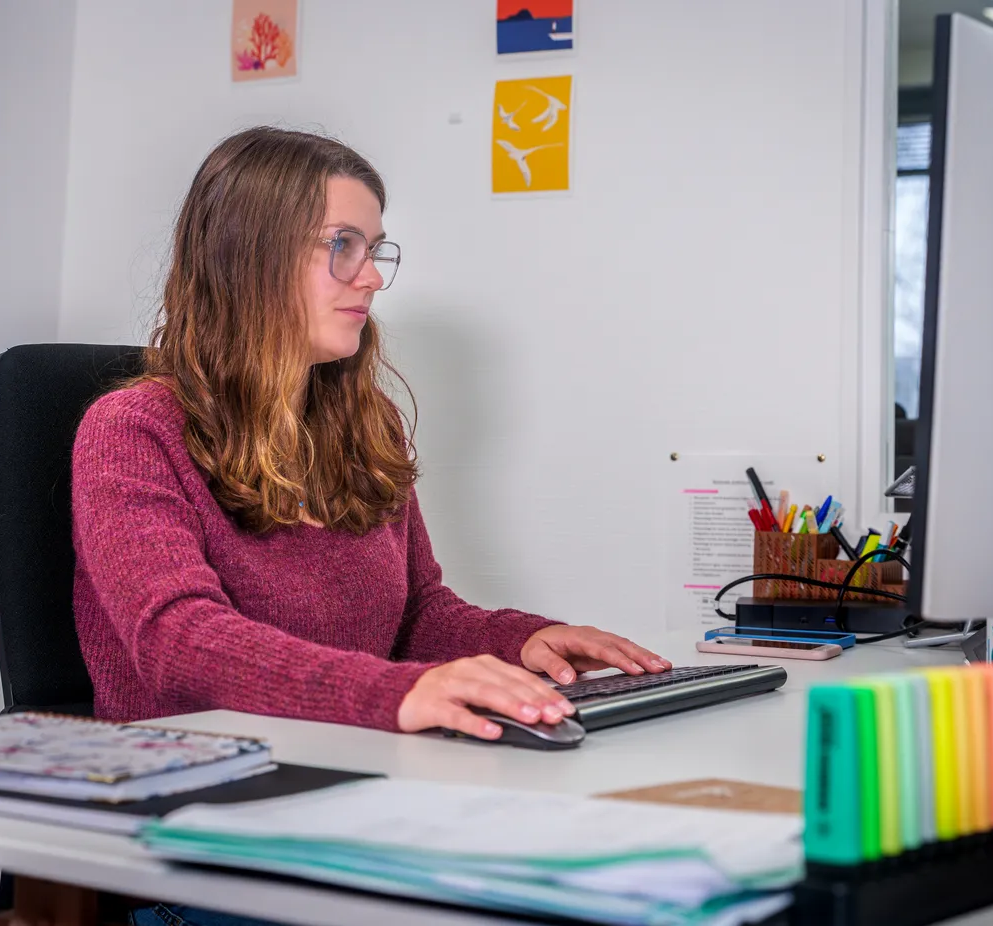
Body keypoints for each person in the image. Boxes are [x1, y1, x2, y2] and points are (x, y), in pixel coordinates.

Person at [69, 127, 669, 926]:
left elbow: (419, 613)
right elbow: (179, 642)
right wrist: (402, 691)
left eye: (376, 248)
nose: (370, 279)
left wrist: (524, 641)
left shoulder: (362, 421)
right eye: (340, 245)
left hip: (355, 800)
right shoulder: (133, 429)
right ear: (247, 253)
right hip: (206, 839)